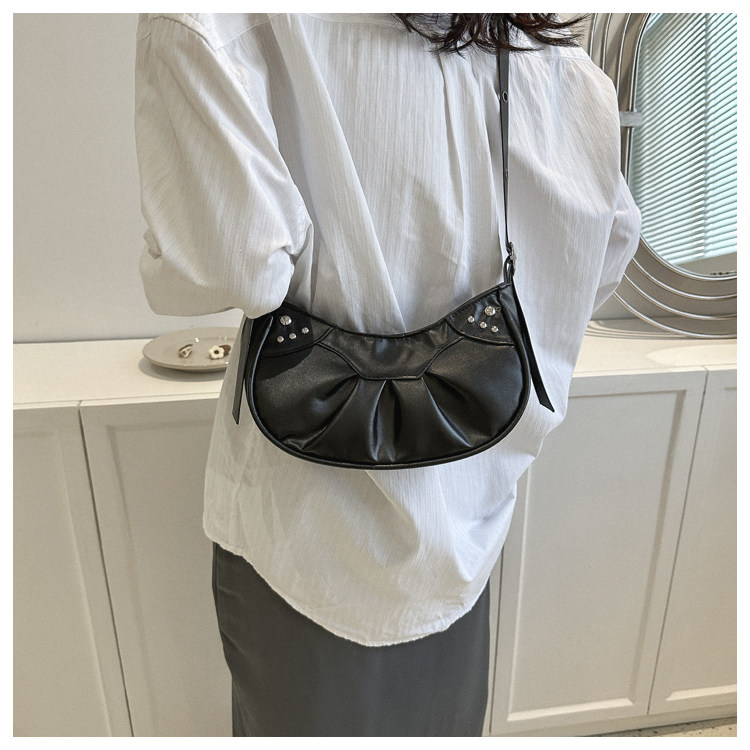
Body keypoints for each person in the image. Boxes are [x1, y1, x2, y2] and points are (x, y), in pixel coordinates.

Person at [134, 13, 641, 737]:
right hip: (469, 518)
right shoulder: (564, 73)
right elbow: (607, 251)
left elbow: (230, 267)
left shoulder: (219, 25)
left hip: (304, 536)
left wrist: (157, 257)